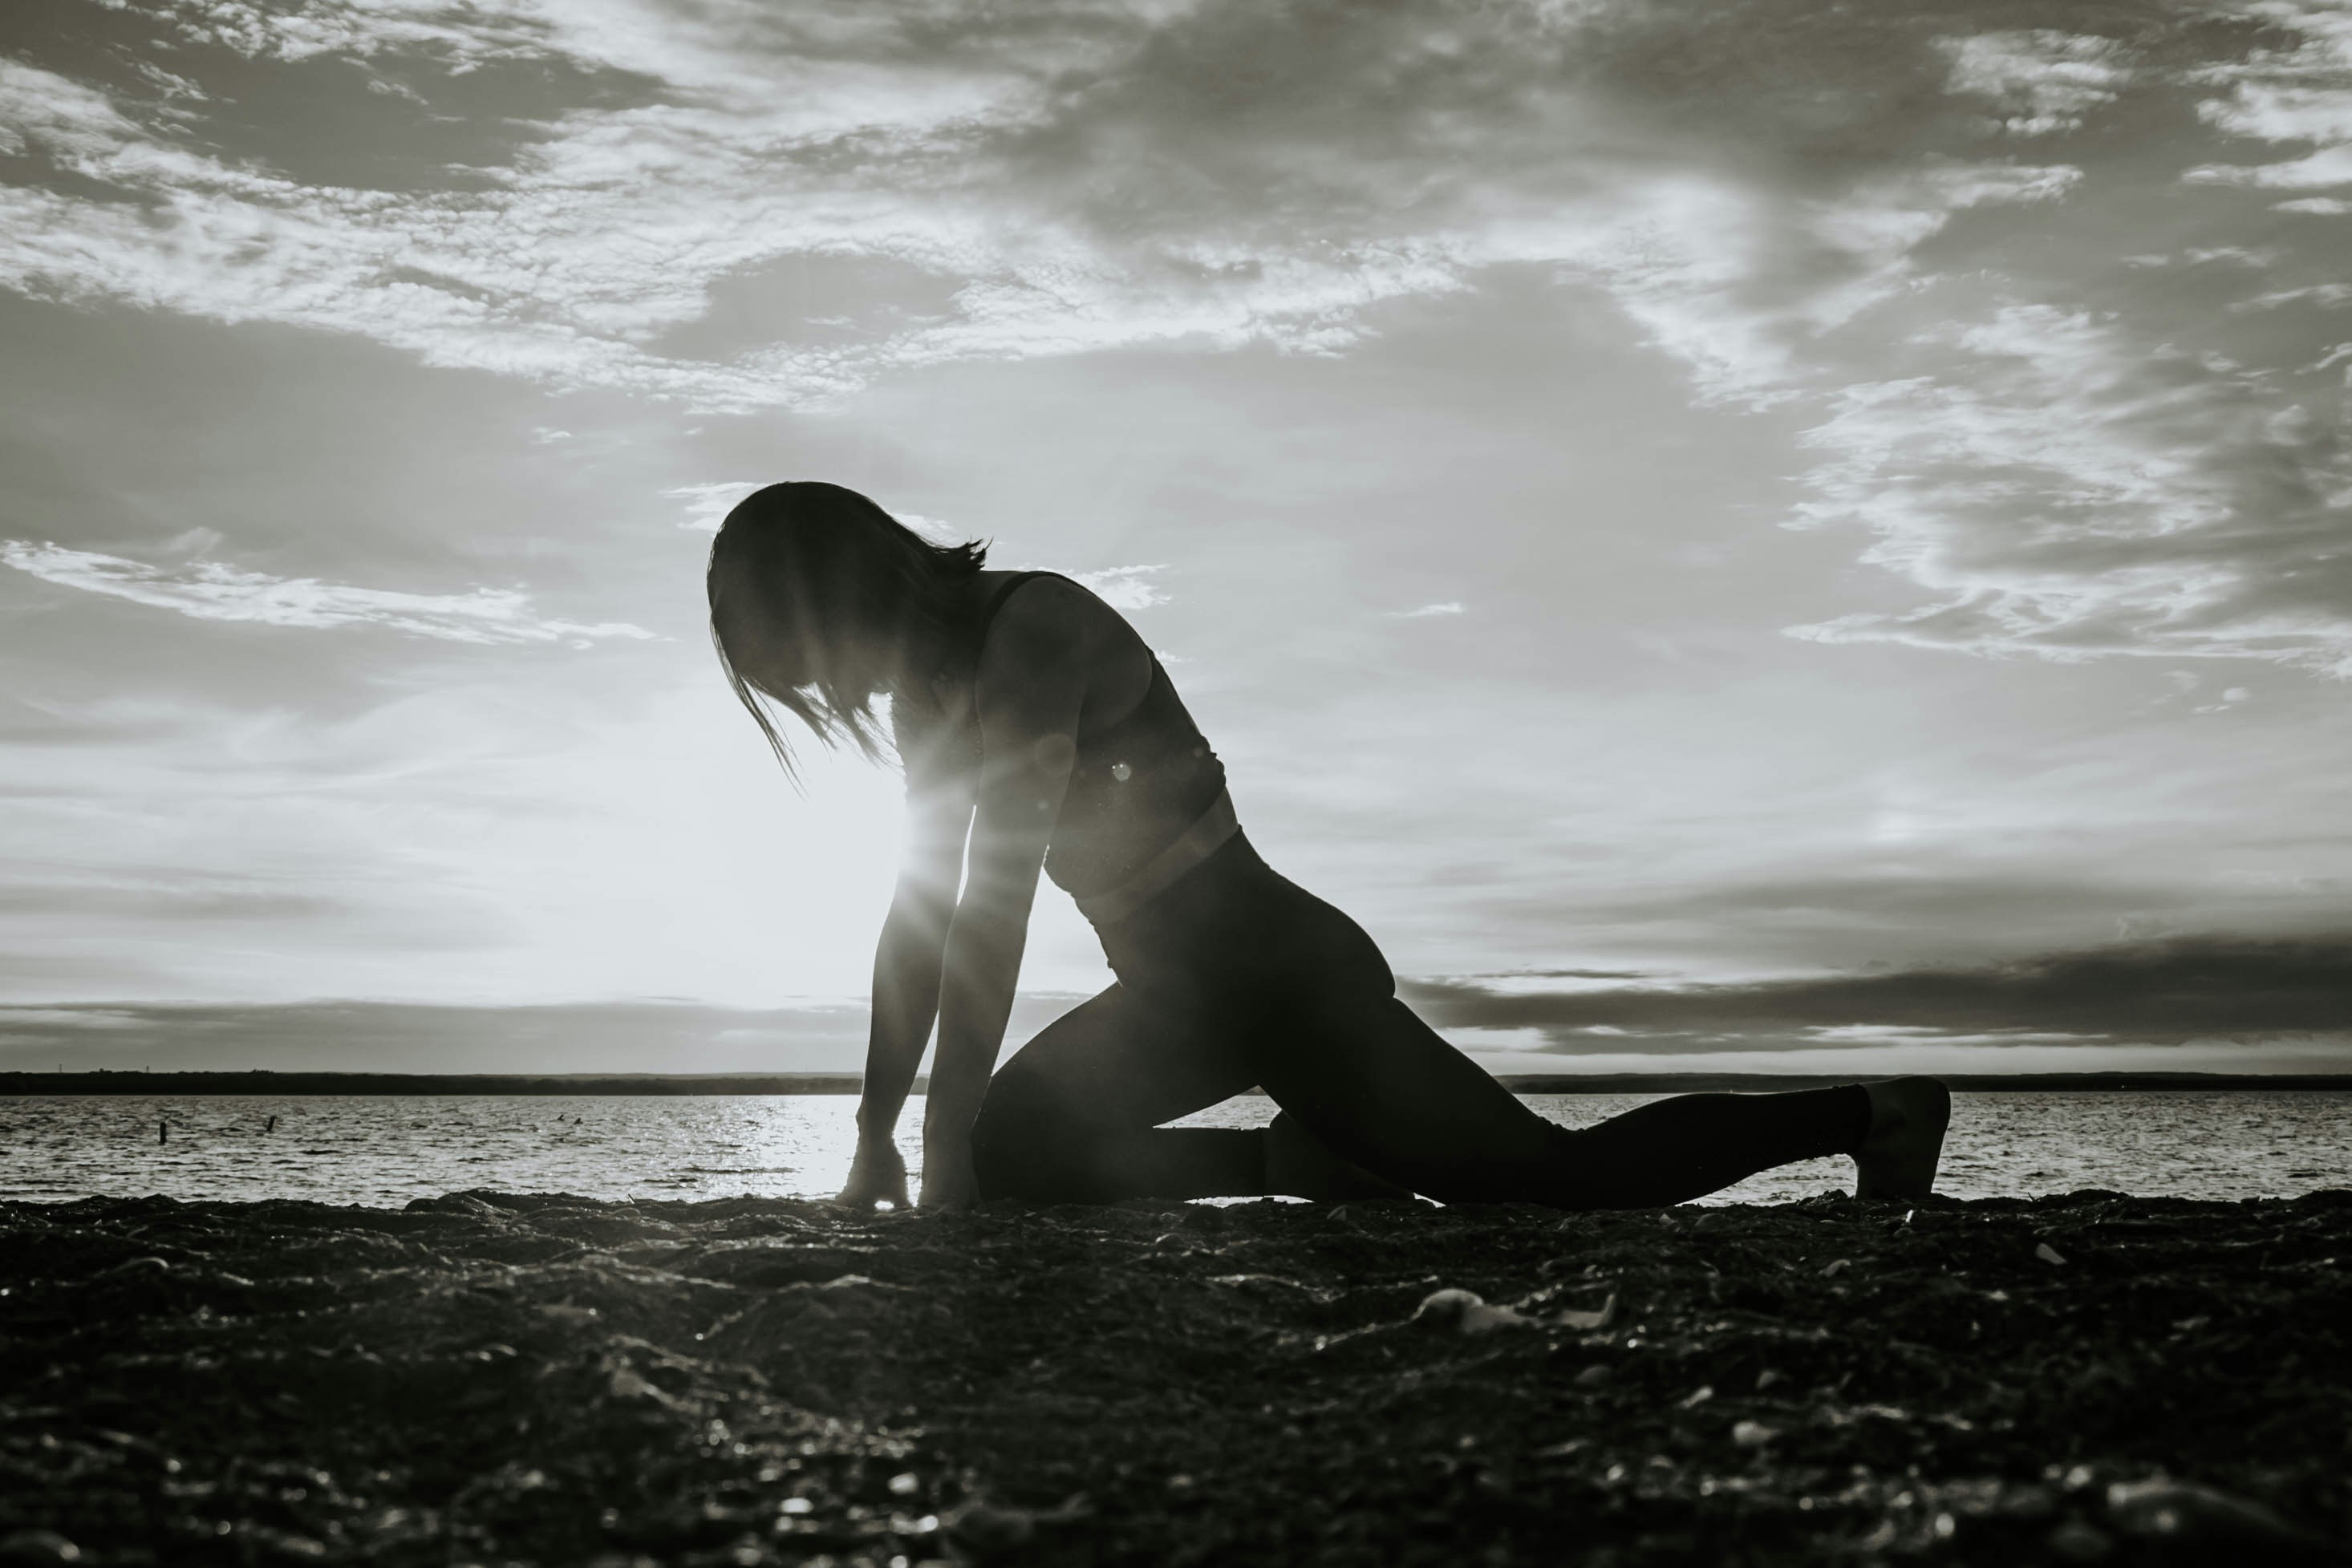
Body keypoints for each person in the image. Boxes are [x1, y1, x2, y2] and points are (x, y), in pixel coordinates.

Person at [707, 481, 1952, 1211]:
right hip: (1179, 1000)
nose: (840, 696)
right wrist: (880, 1129)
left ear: (848, 592)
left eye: (817, 664)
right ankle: (1299, 1157)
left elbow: (992, 901)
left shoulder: (1034, 631)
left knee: (1547, 1187)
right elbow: (917, 918)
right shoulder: (933, 693)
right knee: (1020, 1147)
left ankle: (1874, 1112)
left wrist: (937, 1146)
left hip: (1281, 978)